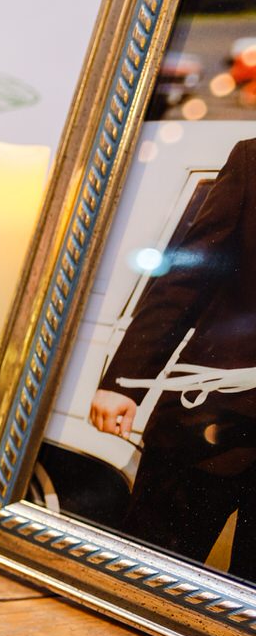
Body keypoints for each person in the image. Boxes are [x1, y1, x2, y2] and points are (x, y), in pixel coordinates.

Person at [90, 137, 256, 580]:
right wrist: (123, 382)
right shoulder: (251, 159)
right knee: (146, 570)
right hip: (206, 420)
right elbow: (186, 277)